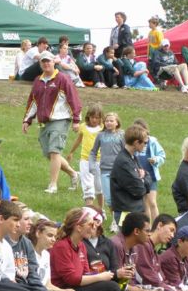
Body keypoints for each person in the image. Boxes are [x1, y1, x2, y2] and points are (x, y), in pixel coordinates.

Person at [22, 51, 82, 196]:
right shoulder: (38, 80)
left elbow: (73, 99)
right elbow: (33, 101)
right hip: (44, 121)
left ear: (54, 62)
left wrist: (76, 119)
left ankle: (53, 185)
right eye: (43, 61)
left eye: (48, 61)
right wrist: (27, 120)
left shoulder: (63, 79)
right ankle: (74, 174)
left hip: (60, 120)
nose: (46, 63)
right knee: (49, 154)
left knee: (55, 152)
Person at [89, 111, 124, 230]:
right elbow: (93, 152)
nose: (109, 123)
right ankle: (115, 219)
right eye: (107, 121)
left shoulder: (121, 135)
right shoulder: (101, 135)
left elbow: (126, 152)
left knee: (121, 197)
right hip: (105, 170)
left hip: (119, 171)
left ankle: (121, 222)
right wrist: (92, 165)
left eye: (111, 121)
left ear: (117, 123)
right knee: (109, 198)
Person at [110, 124, 150, 223]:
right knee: (127, 239)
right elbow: (139, 190)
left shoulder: (132, 158)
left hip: (135, 210)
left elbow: (148, 178)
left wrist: (142, 177)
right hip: (126, 213)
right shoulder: (124, 162)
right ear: (136, 143)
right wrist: (143, 179)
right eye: (145, 143)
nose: (146, 145)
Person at [65, 103, 103, 205]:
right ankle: (89, 206)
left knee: (99, 185)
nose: (94, 120)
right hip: (85, 159)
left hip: (99, 160)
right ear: (88, 117)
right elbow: (78, 140)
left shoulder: (103, 128)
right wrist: (71, 152)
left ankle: (100, 208)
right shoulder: (83, 127)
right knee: (87, 184)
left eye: (97, 118)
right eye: (92, 117)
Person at [132, 119, 165, 223]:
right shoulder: (133, 143)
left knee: (152, 202)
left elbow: (162, 155)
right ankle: (148, 227)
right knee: (144, 203)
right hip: (137, 176)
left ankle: (157, 226)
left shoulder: (152, 142)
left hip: (150, 176)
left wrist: (155, 160)